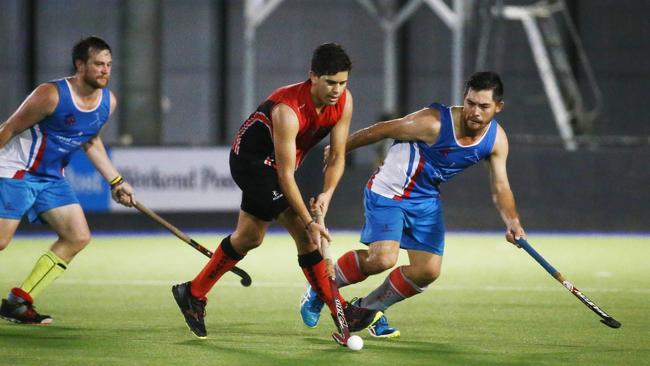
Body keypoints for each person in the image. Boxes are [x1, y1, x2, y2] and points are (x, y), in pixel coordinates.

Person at [171, 43, 382, 339]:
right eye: (330, 82)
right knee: (305, 233)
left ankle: (192, 292)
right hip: (251, 162)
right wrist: (309, 221)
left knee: (249, 237)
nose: (337, 90)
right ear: (313, 76)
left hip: (279, 166)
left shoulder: (344, 102)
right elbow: (284, 176)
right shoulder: (288, 110)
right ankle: (340, 310)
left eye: (343, 82)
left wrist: (326, 194)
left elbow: (336, 156)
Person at [300, 71, 526, 338]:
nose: (474, 112)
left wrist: (513, 222)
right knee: (383, 258)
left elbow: (501, 186)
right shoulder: (433, 123)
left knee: (427, 271)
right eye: (470, 103)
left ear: (498, 107)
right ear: (464, 99)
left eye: (484, 106)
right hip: (389, 192)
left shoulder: (496, 140)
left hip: (425, 199)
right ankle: (320, 288)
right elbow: (382, 130)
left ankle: (364, 310)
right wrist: (341, 149)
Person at [0, 36, 135, 324]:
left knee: (77, 236)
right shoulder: (51, 94)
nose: (105, 71)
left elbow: (92, 142)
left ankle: (19, 302)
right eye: (98, 64)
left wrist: (116, 181)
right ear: (80, 65)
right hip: (17, 170)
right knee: (0, 241)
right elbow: (9, 128)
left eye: (109, 65)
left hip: (51, 177)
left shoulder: (107, 102)